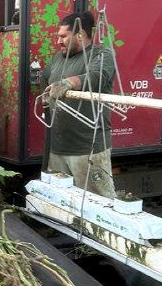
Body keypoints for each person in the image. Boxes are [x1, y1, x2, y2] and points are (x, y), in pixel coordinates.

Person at [41, 11, 116, 198]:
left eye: (63, 37)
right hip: (58, 148)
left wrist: (69, 83)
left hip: (87, 149)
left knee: (97, 203)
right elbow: (45, 79)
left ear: (80, 35)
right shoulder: (58, 59)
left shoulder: (101, 54)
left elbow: (96, 77)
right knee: (61, 201)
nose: (58, 41)